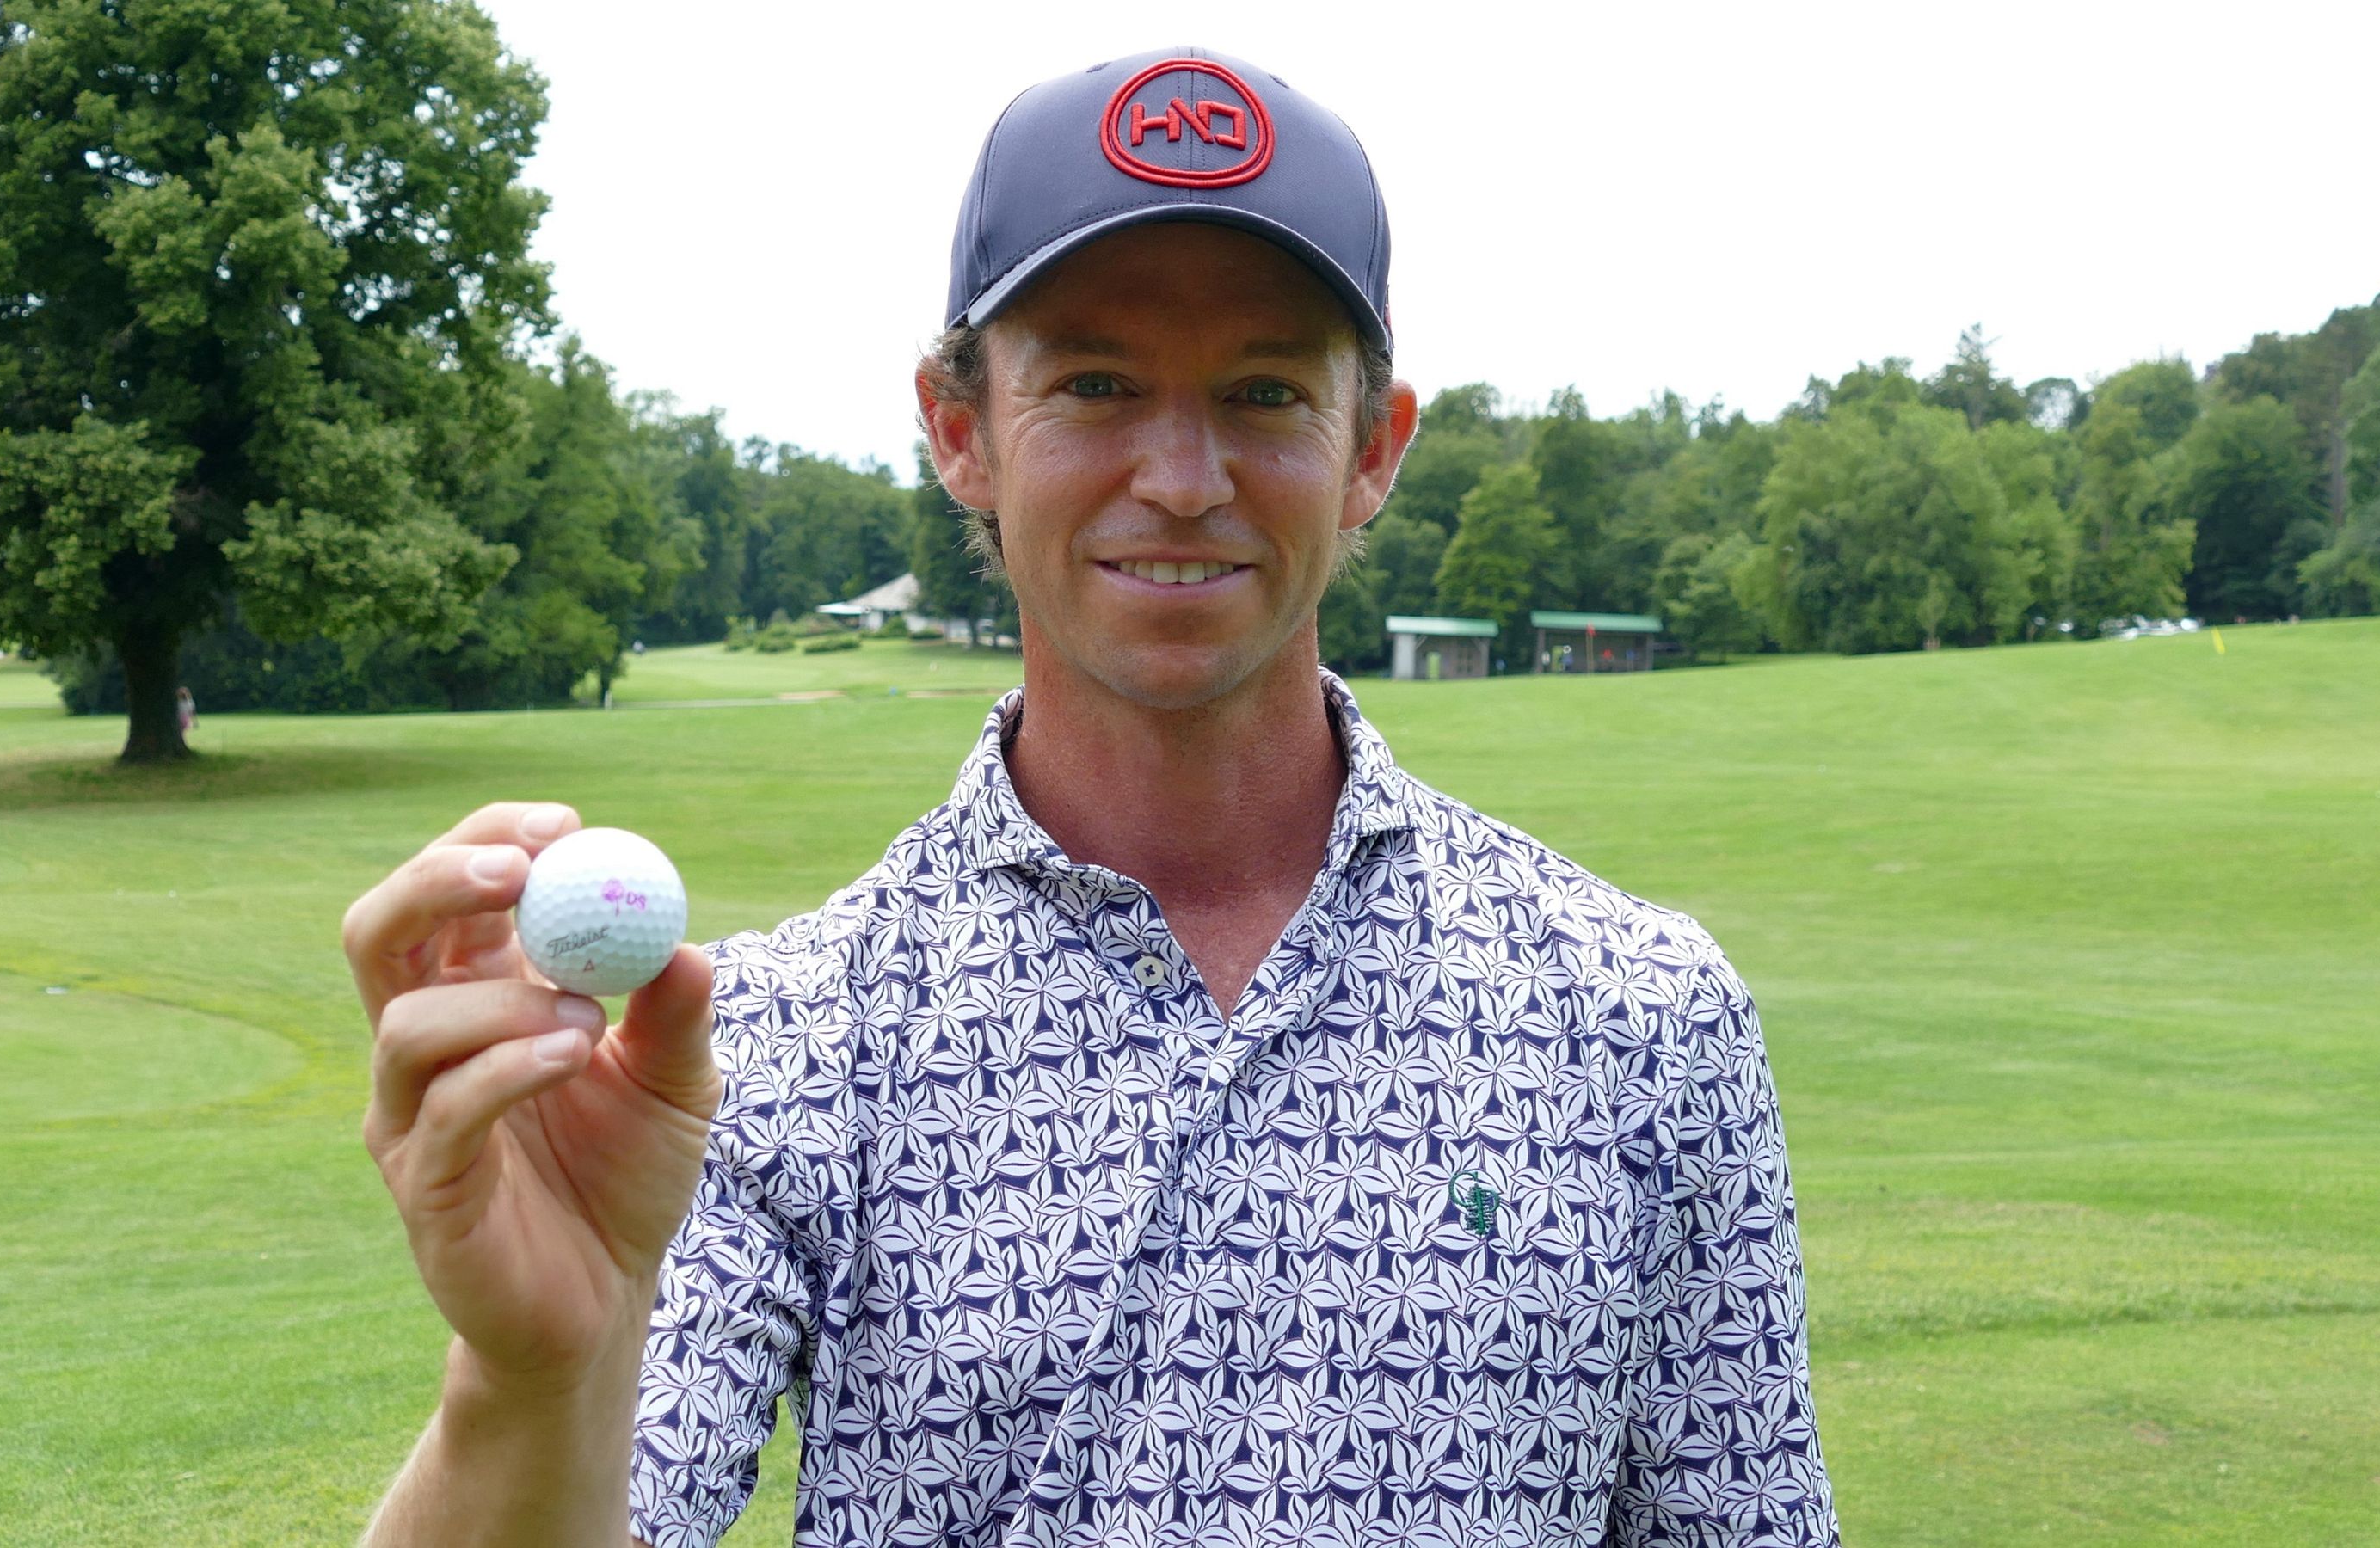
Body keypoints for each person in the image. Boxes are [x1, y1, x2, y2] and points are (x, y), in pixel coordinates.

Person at [344, 47, 1836, 1548]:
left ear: (1372, 449)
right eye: (1096, 384)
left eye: (1263, 392)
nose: (1184, 477)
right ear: (959, 429)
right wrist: (531, 1389)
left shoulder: (1642, 1017)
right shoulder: (762, 1054)